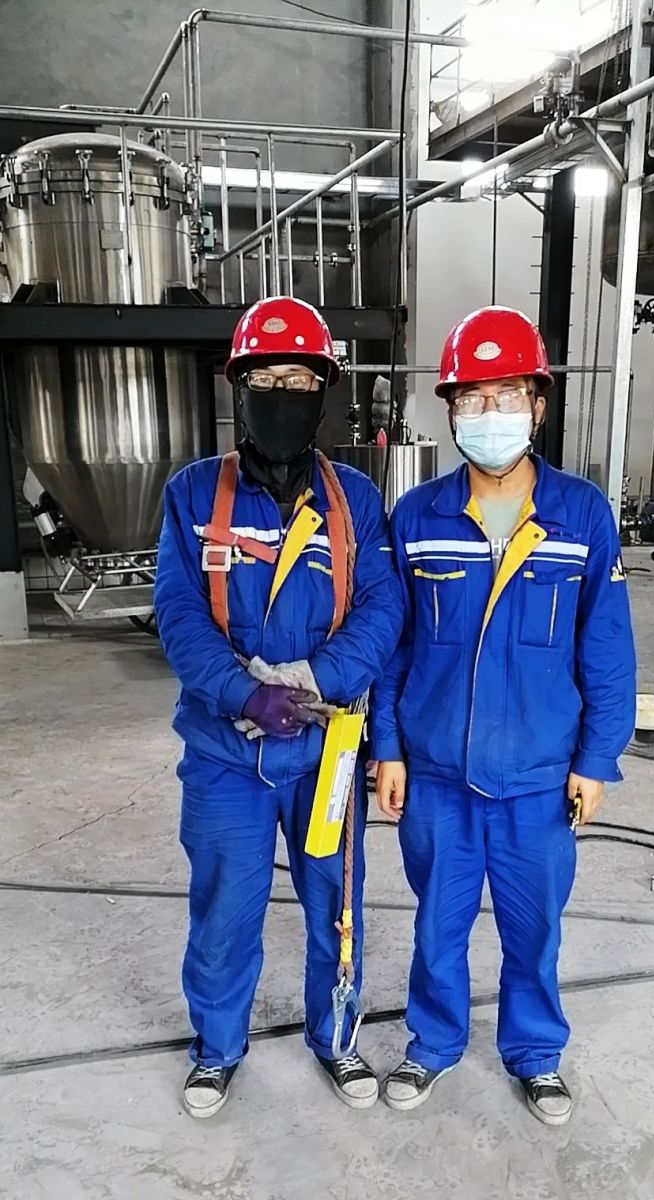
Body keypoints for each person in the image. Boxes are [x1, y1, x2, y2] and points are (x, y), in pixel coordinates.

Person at [372, 305, 636, 1125]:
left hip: (537, 777)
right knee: (437, 926)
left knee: (533, 930)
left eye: (507, 396)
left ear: (538, 404)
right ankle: (433, 1044)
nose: (489, 415)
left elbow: (606, 649)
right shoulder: (416, 516)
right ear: (449, 412)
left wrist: (596, 759)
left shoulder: (580, 513)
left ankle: (534, 1053)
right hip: (437, 776)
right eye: (471, 399)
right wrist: (388, 747)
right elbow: (393, 647)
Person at [155, 296, 402, 1119]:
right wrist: (243, 692)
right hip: (225, 755)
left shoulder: (355, 500)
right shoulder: (194, 494)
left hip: (324, 753)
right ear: (239, 389)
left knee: (336, 903)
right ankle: (217, 1048)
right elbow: (178, 614)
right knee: (225, 908)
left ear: (323, 393)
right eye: (265, 380)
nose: (282, 395)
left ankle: (335, 1037)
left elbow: (381, 607)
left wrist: (312, 680)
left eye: (299, 381)